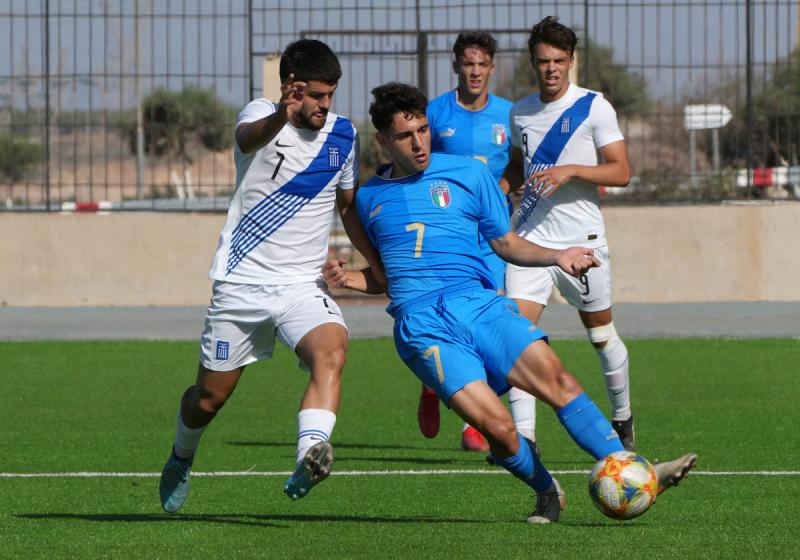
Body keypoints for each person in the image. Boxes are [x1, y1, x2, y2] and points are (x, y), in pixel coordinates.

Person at [324, 82, 696, 523]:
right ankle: (547, 492)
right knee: (499, 429)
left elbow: (506, 243)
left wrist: (558, 256)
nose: (419, 142)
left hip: (479, 305)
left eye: (423, 129)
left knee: (559, 381)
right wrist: (348, 279)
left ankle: (635, 471)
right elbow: (385, 277)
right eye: (405, 136)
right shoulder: (369, 198)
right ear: (384, 140)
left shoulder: (469, 174)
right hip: (423, 326)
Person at [158, 39, 384, 512]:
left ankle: (310, 456)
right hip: (241, 285)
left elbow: (347, 207)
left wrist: (376, 265)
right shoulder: (261, 114)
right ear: (292, 88)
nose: (325, 105)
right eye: (316, 95)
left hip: (301, 285)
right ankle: (181, 455)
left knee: (333, 351)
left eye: (331, 95)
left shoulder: (343, 135)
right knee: (208, 399)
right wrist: (283, 112)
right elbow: (247, 140)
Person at [501, 16, 636, 450]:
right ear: (533, 63)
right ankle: (524, 437)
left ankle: (622, 417)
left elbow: (621, 171)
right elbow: (518, 166)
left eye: (559, 60)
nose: (552, 69)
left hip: (582, 242)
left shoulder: (594, 107)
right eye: (544, 61)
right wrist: (498, 191)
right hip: (530, 241)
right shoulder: (519, 111)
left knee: (601, 336)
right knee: (517, 339)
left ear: (572, 61)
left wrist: (571, 170)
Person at [422, 31, 537, 453]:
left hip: (492, 237)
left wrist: (499, 191)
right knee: (449, 317)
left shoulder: (509, 114)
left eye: (481, 64)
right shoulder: (435, 113)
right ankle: (433, 384)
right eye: (467, 63)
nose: (474, 71)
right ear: (456, 66)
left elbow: (519, 165)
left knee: (493, 319)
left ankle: (475, 423)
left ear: (492, 68)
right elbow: (420, 167)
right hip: (448, 235)